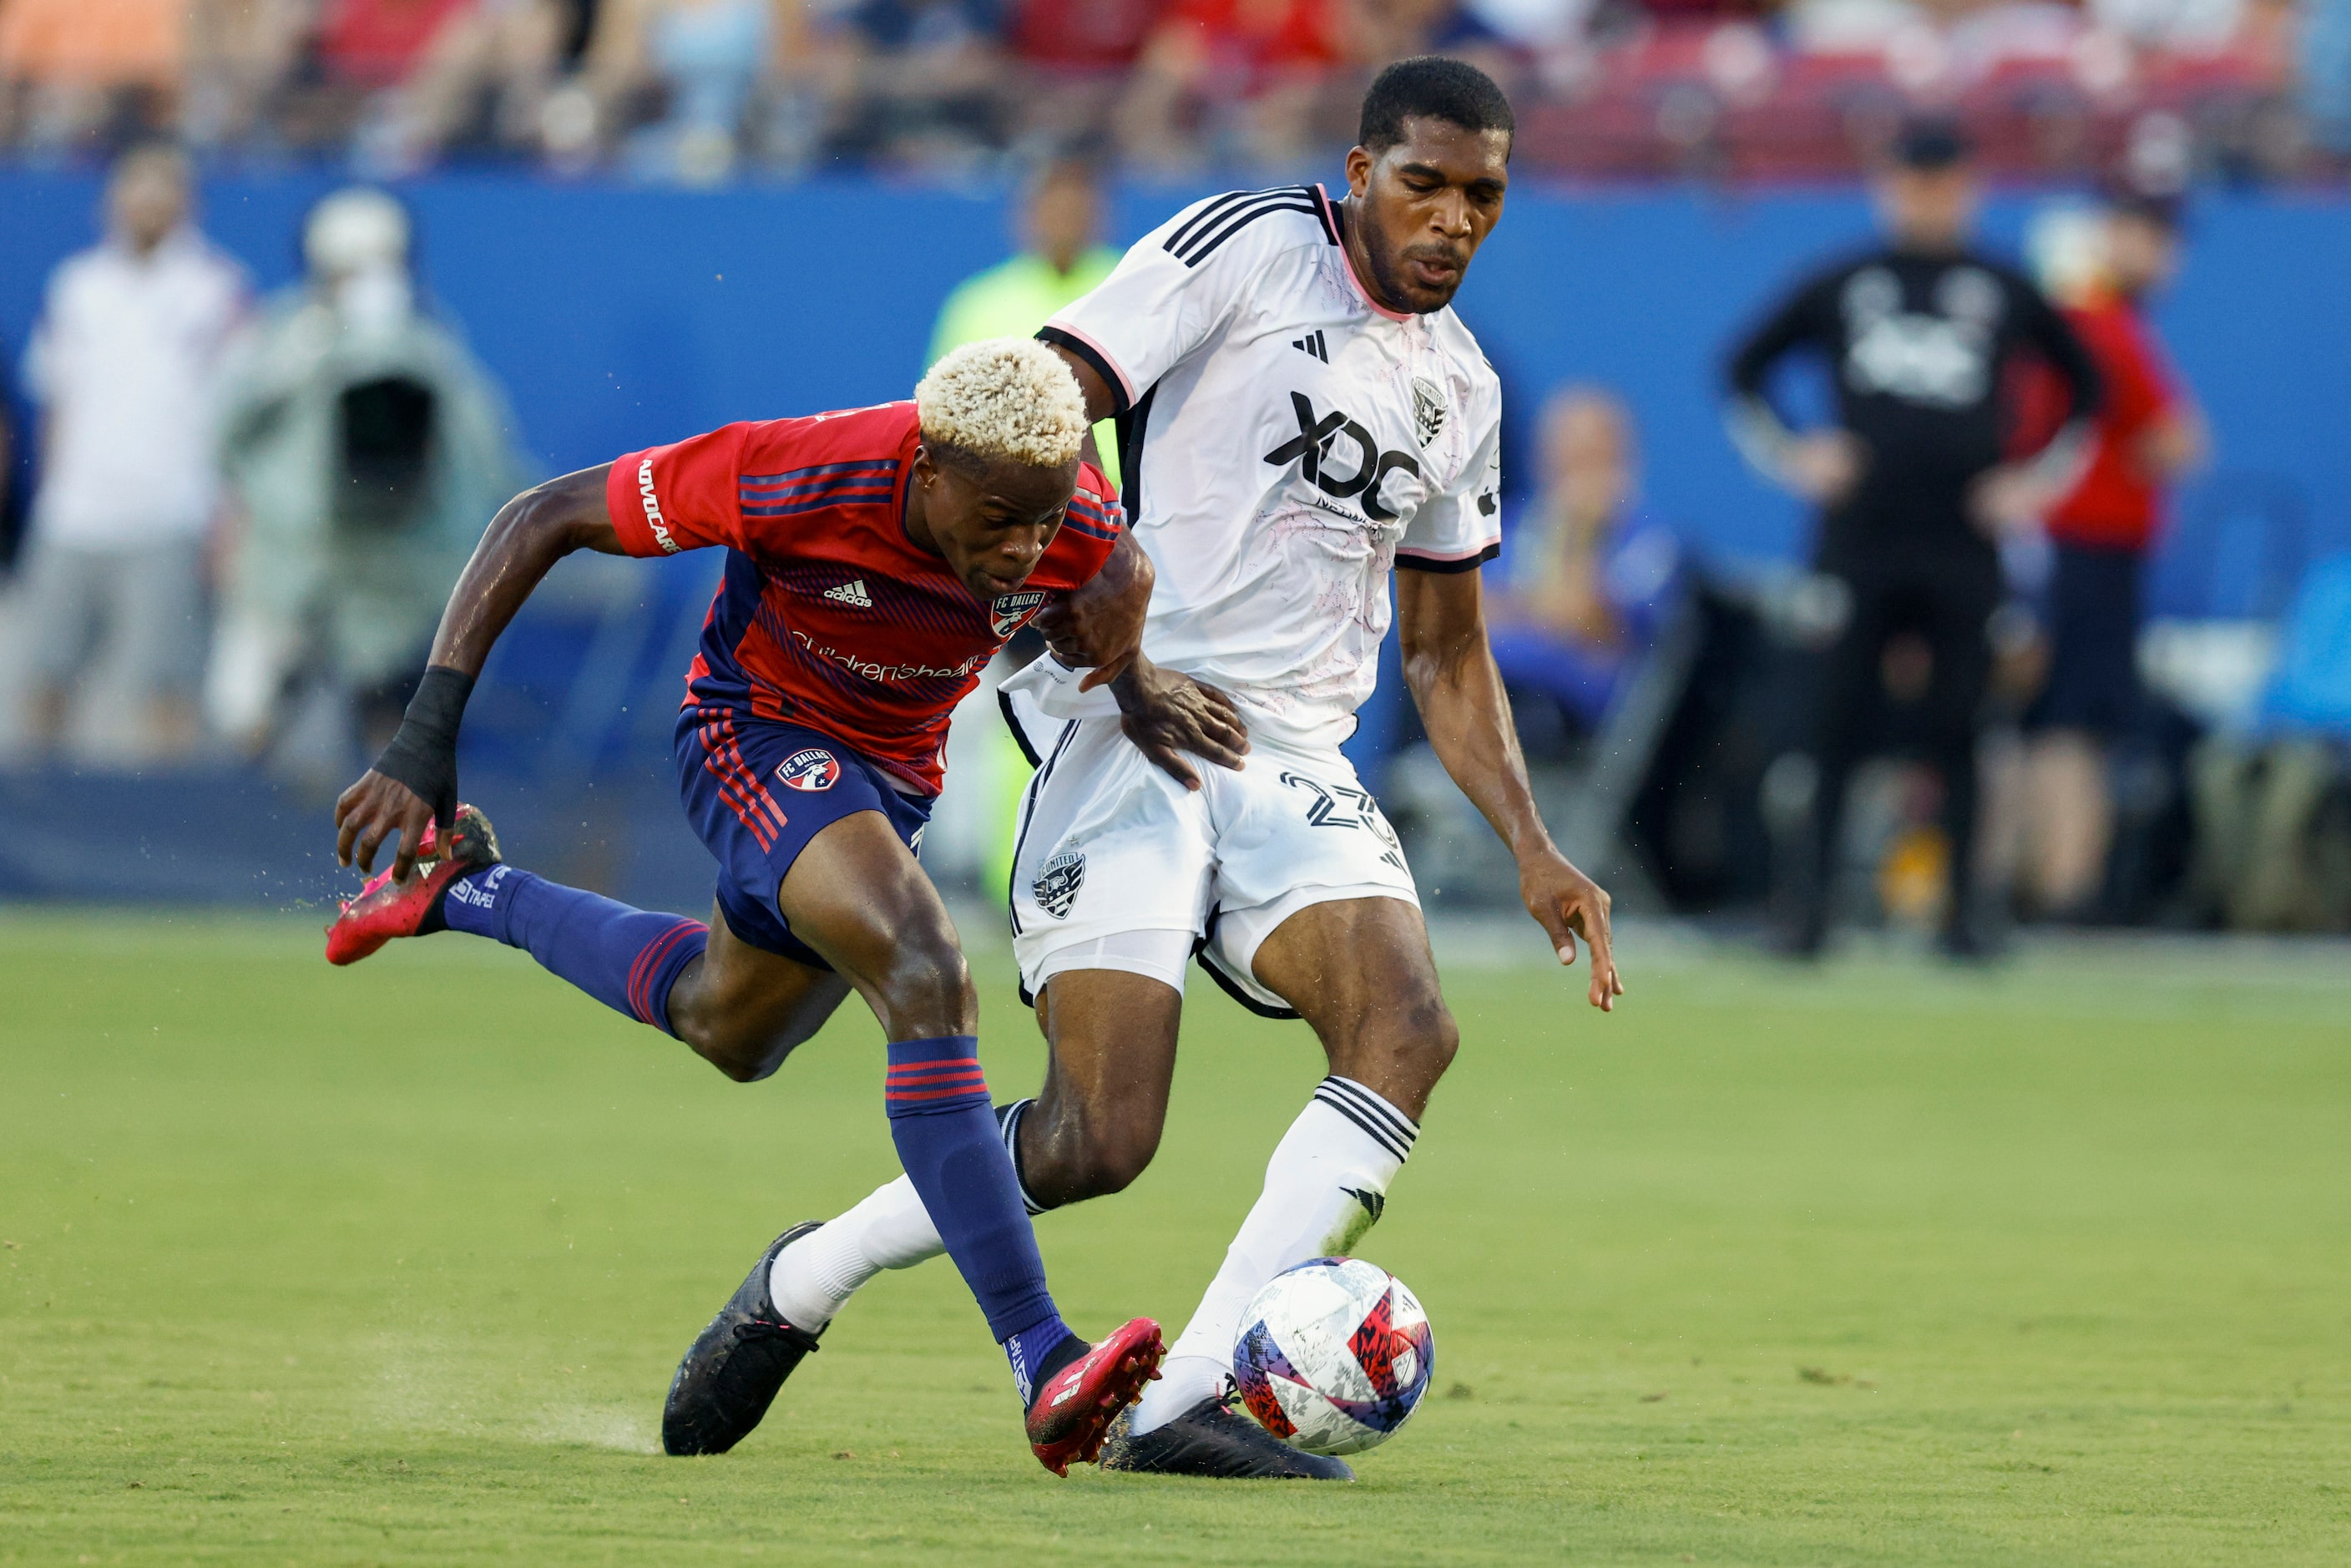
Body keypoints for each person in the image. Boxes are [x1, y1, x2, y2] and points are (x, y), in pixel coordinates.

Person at [688, 56, 1621, 1482]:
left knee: (1408, 1028)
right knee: (1095, 1136)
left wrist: (1531, 840)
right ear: (1361, 171)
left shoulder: (1464, 390)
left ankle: (1182, 1394)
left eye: (1481, 195)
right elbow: (1045, 405)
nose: (1451, 219)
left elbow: (1444, 646)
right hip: (1131, 719)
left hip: (1295, 750)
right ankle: (807, 1275)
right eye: (1423, 183)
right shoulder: (1244, 245)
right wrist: (1100, 622)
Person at [321, 339, 1244, 1474]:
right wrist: (425, 734)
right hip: (754, 732)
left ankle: (462, 887)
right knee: (925, 971)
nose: (1025, 549)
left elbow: (1101, 583)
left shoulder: (1072, 519)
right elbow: (539, 516)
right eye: (1001, 519)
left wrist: (1138, 683)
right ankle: (1041, 1355)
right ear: (929, 468)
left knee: (730, 1024)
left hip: (890, 777)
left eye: (1047, 521)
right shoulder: (800, 474)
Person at [1724, 118, 2102, 959]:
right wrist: (1797, 452)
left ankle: (1963, 919)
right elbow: (1741, 368)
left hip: (1960, 541)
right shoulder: (1845, 280)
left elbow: (2084, 388)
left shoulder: (1999, 285)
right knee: (1831, 721)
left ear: (1966, 186)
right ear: (1886, 184)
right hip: (1859, 539)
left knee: (1961, 726)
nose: (1926, 197)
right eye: (1911, 179)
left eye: (1941, 180)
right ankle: (1806, 913)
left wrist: (2030, 484)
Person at [210, 186, 530, 766]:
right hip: (295, 563)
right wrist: (306, 358)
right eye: (347, 269)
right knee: (253, 717)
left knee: (393, 725)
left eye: (379, 265)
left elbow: (484, 452)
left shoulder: (429, 342)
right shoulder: (287, 334)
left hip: (397, 574)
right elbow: (227, 432)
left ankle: (395, 846)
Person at [12, 144, 246, 763]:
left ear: (186, 202)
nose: (146, 204)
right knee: (43, 678)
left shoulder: (216, 289)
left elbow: (239, 418)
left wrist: (228, 520)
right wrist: (52, 495)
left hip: (169, 514)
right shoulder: (78, 286)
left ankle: (166, 840)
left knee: (167, 690)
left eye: (161, 190)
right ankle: (31, 829)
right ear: (111, 201)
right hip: (75, 514)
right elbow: (58, 404)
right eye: (135, 189)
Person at [2015, 190, 2205, 920]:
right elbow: (2180, 442)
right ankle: (2068, 892)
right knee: (2076, 723)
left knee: (2044, 721)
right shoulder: (2100, 324)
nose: (2166, 258)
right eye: (2153, 237)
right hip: (2088, 546)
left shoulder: (2071, 322)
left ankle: (2033, 886)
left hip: (2060, 545)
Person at [1486, 385, 1683, 735]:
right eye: (1566, 460)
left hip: (1573, 726)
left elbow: (1591, 621)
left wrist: (1576, 538)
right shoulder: (1507, 527)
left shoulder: (1650, 543)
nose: (1576, 478)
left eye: (1591, 460)